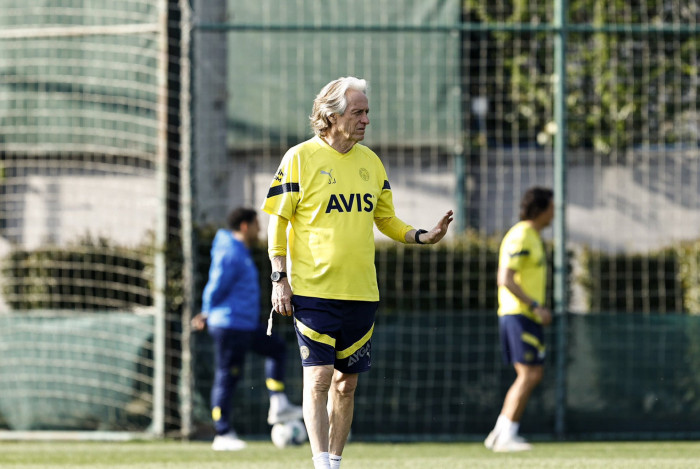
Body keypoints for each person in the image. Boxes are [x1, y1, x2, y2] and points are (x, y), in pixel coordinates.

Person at [261, 76, 453, 469]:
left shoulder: (371, 162)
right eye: (358, 112)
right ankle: (321, 463)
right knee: (318, 378)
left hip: (362, 293)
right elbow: (277, 221)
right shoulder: (299, 158)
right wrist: (280, 279)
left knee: (346, 385)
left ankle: (335, 460)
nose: (366, 120)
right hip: (313, 292)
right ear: (331, 116)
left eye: (367, 112)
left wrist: (422, 236)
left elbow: (385, 219)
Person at [191, 207, 302, 451]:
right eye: (256, 224)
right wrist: (206, 311)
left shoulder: (240, 250)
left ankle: (278, 402)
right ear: (244, 226)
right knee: (227, 377)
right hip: (229, 325)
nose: (259, 229)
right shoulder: (230, 251)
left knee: (276, 348)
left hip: (244, 325)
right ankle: (222, 433)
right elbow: (216, 283)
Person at [484, 187, 554, 452]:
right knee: (529, 373)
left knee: (531, 374)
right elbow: (505, 279)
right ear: (540, 209)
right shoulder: (522, 235)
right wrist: (535, 306)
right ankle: (505, 436)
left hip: (524, 315)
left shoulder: (533, 236)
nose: (554, 213)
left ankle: (500, 433)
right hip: (518, 314)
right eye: (551, 207)